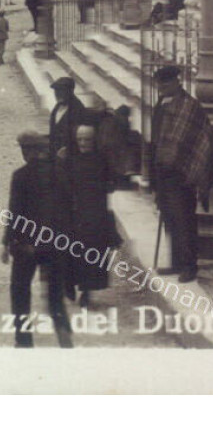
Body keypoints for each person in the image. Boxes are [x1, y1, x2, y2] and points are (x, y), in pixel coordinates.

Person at [3, 132, 74, 347]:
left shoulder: (21, 176)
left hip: (26, 246)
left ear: (31, 151)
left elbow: (15, 213)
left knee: (20, 292)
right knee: (54, 296)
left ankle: (23, 341)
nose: (24, 154)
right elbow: (69, 207)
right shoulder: (59, 172)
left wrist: (7, 242)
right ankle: (64, 338)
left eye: (26, 150)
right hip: (54, 244)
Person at [147, 65, 213, 282]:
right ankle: (176, 263)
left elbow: (199, 138)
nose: (161, 87)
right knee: (169, 218)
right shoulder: (161, 104)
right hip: (163, 170)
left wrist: (178, 161)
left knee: (184, 219)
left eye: (166, 84)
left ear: (177, 82)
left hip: (181, 172)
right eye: (159, 84)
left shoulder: (190, 105)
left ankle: (190, 265)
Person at [67, 123, 120, 306]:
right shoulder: (71, 159)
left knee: (91, 255)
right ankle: (71, 285)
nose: (83, 143)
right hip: (75, 213)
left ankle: (86, 292)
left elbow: (111, 184)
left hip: (95, 214)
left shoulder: (101, 160)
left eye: (87, 139)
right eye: (80, 139)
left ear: (94, 140)